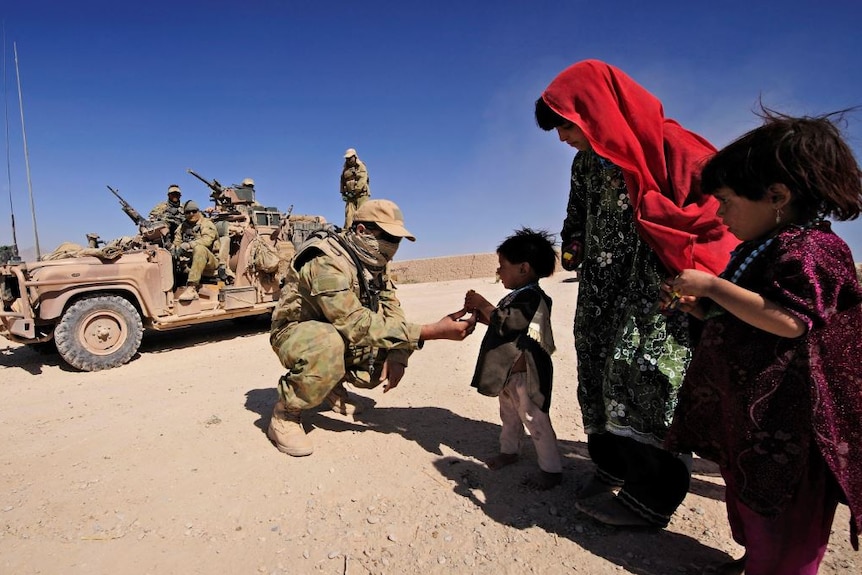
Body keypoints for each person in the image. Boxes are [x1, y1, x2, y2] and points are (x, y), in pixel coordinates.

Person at [534, 59, 739, 528]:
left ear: (594, 111)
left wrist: (691, 259)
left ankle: (651, 495)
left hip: (659, 293)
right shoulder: (585, 162)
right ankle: (611, 465)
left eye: (566, 126)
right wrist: (573, 248)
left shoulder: (672, 145)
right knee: (599, 374)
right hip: (602, 292)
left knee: (647, 378)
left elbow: (719, 211)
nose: (563, 138)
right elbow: (577, 217)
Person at [664, 110, 862, 575]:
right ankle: (759, 561)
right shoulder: (767, 243)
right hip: (753, 415)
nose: (719, 212)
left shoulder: (812, 249)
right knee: (752, 502)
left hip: (792, 424)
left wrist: (713, 288)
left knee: (786, 519)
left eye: (727, 200)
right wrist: (705, 309)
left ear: (777, 196)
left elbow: (792, 320)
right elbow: (754, 309)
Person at [268, 198, 475, 457]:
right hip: (297, 332)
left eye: (397, 240)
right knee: (328, 342)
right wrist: (430, 332)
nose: (393, 246)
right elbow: (354, 324)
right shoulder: (326, 260)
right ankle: (286, 413)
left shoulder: (374, 262)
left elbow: (392, 310)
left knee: (379, 359)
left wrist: (399, 353)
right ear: (362, 230)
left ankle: (330, 386)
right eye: (387, 236)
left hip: (338, 330)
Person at [464, 227, 562, 490]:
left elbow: (506, 323)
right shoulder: (518, 295)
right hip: (509, 375)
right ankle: (510, 451)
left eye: (502, 266)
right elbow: (503, 325)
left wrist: (483, 303)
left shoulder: (532, 297)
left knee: (535, 420)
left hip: (525, 376)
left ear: (524, 268)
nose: (499, 272)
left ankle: (551, 469)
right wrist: (478, 314)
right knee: (509, 416)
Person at [172, 200, 219, 302]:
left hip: (210, 262)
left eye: (194, 211)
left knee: (199, 249)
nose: (191, 214)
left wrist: (189, 245)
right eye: (188, 212)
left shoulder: (206, 223)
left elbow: (207, 240)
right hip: (190, 262)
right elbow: (176, 242)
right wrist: (175, 249)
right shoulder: (182, 227)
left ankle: (192, 288)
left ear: (198, 211)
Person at [340, 148, 370, 229]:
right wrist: (343, 193)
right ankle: (347, 231)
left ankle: (361, 232)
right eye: (347, 158)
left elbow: (362, 180)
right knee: (349, 215)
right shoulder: (345, 169)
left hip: (361, 194)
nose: (348, 160)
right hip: (350, 196)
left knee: (362, 214)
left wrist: (355, 191)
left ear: (354, 157)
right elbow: (342, 181)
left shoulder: (361, 166)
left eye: (350, 158)